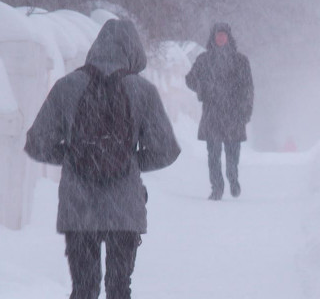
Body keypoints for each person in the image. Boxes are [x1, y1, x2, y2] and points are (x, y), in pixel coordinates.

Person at [24, 19, 180, 299]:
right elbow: (166, 150)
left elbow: (37, 144)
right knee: (119, 290)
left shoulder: (67, 86)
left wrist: (73, 156)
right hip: (124, 208)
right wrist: (130, 160)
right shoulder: (143, 91)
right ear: (133, 52)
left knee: (84, 289)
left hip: (78, 207)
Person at [186, 22, 253, 200]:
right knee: (213, 154)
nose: (221, 37)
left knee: (232, 154)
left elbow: (248, 89)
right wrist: (203, 88)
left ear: (229, 37)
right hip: (212, 114)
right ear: (213, 37)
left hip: (234, 114)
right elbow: (190, 79)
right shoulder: (204, 60)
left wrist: (246, 112)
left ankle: (233, 178)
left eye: (223, 34)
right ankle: (217, 187)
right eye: (218, 34)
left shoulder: (240, 61)